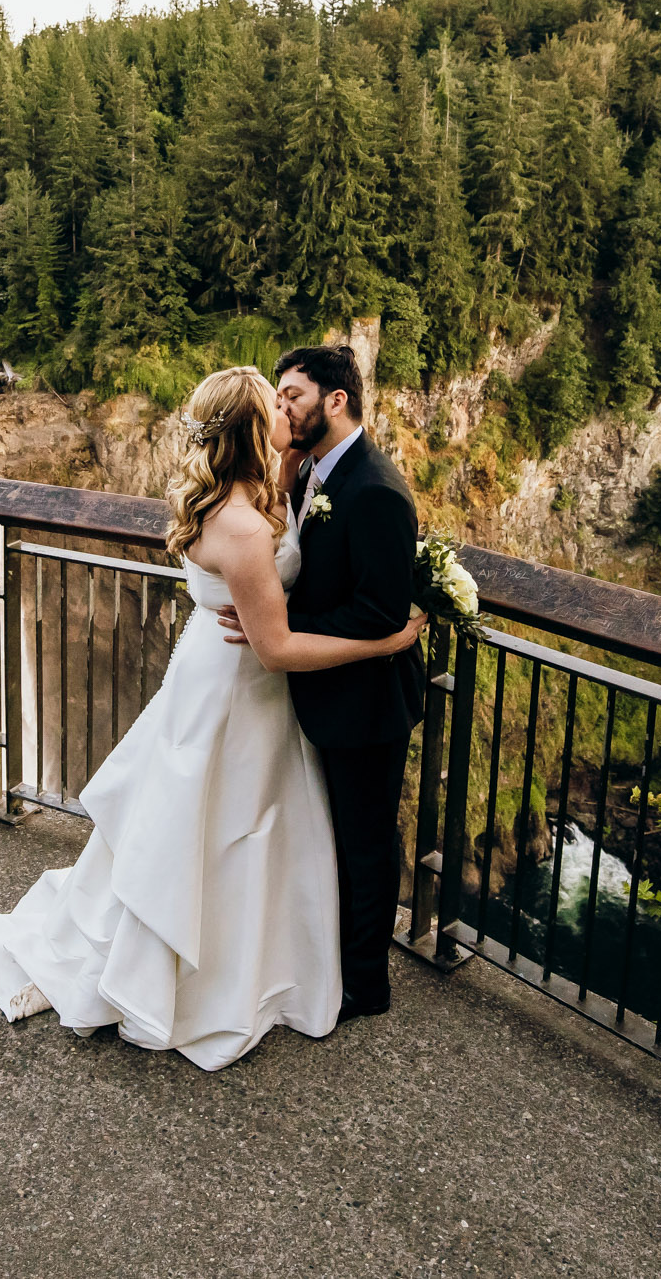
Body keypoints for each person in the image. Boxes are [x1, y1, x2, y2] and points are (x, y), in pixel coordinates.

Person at [0, 364, 424, 1070]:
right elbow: (273, 649)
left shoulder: (253, 492)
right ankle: (211, 984)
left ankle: (254, 963)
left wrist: (298, 459)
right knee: (225, 828)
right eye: (275, 404)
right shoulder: (242, 526)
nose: (288, 410)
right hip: (242, 686)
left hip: (218, 672)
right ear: (250, 428)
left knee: (245, 830)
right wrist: (388, 639)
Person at [216, 344, 426, 1019]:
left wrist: (275, 619)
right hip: (316, 698)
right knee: (327, 839)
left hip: (366, 706)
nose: (281, 407)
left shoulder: (377, 489)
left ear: (337, 400)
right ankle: (323, 964)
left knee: (365, 845)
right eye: (277, 397)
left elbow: (380, 611)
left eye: (293, 396)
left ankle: (367, 987)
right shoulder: (307, 468)